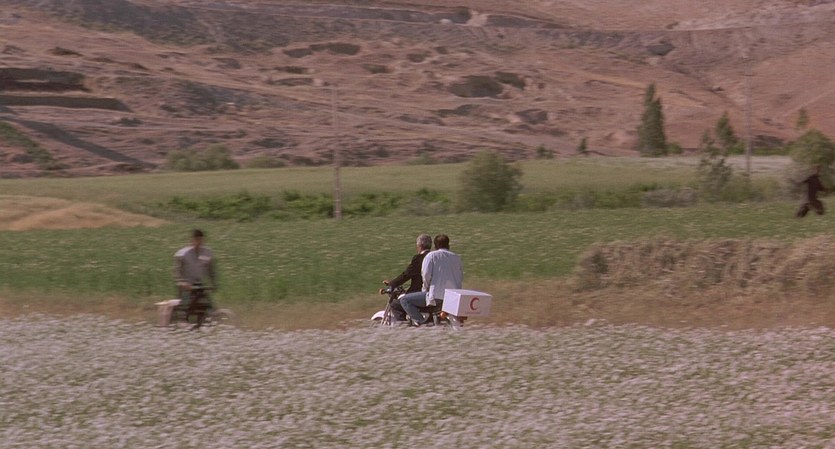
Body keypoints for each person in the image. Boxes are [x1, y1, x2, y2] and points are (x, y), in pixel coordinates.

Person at [400, 234, 463, 326]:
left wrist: (425, 289)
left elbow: (425, 275)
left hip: (436, 296)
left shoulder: (431, 256)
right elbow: (460, 276)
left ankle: (422, 323)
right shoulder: (457, 257)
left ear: (435, 246)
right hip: (453, 297)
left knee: (404, 300)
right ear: (448, 245)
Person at [173, 229, 218, 329]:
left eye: (200, 240)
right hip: (186, 284)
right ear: (192, 240)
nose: (198, 242)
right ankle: (182, 318)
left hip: (198, 283)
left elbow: (211, 270)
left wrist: (213, 283)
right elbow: (177, 270)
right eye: (196, 240)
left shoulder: (207, 252)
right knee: (186, 298)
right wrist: (181, 282)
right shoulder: (183, 254)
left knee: (207, 301)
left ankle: (213, 316)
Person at [382, 234, 432, 322]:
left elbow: (406, 275)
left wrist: (392, 283)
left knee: (395, 305)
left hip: (420, 293)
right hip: (434, 293)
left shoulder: (418, 258)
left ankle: (404, 327)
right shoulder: (434, 257)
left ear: (419, 246)